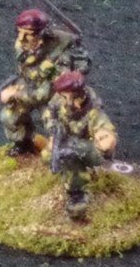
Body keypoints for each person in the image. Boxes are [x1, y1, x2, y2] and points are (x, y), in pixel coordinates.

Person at [0, 9, 90, 156]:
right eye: (19, 33)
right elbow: (25, 68)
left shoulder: (61, 55)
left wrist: (16, 94)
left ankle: (68, 154)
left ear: (41, 35)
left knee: (56, 125)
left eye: (28, 34)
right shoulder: (23, 45)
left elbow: (46, 93)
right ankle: (23, 144)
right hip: (31, 85)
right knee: (9, 116)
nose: (21, 39)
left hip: (54, 94)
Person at [43, 70, 117, 219]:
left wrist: (106, 138)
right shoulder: (59, 99)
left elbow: (104, 129)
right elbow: (49, 114)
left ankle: (78, 192)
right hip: (67, 141)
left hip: (91, 150)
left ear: (79, 95)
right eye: (63, 97)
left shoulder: (93, 112)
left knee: (69, 153)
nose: (66, 102)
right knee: (47, 156)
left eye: (70, 97)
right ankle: (67, 167)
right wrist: (54, 130)